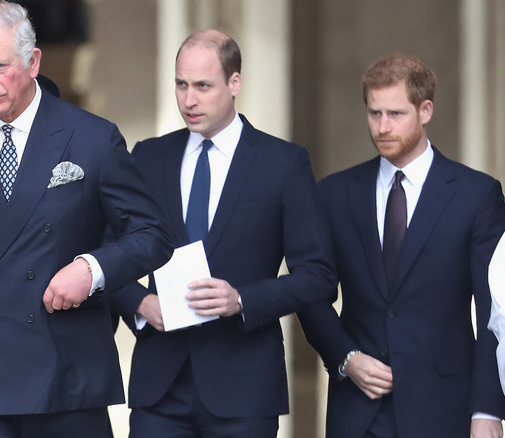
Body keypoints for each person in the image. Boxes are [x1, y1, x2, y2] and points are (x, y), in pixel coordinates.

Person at [0, 2, 172, 437]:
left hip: (64, 373)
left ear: (33, 62)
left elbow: (152, 234)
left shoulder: (93, 137)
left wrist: (91, 270)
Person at [108, 30, 336, 438]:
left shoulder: (284, 164)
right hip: (158, 387)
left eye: (202, 86)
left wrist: (242, 299)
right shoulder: (148, 156)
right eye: (181, 84)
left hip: (244, 389)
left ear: (234, 84)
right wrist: (140, 303)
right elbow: (108, 251)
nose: (189, 100)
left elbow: (318, 276)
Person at [298, 53, 505, 438]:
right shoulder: (334, 193)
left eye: (395, 114)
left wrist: (488, 409)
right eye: (374, 114)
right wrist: (345, 357)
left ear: (425, 111)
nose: (383, 127)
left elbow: (494, 309)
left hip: (444, 406)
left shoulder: (477, 196)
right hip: (357, 406)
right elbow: (309, 290)